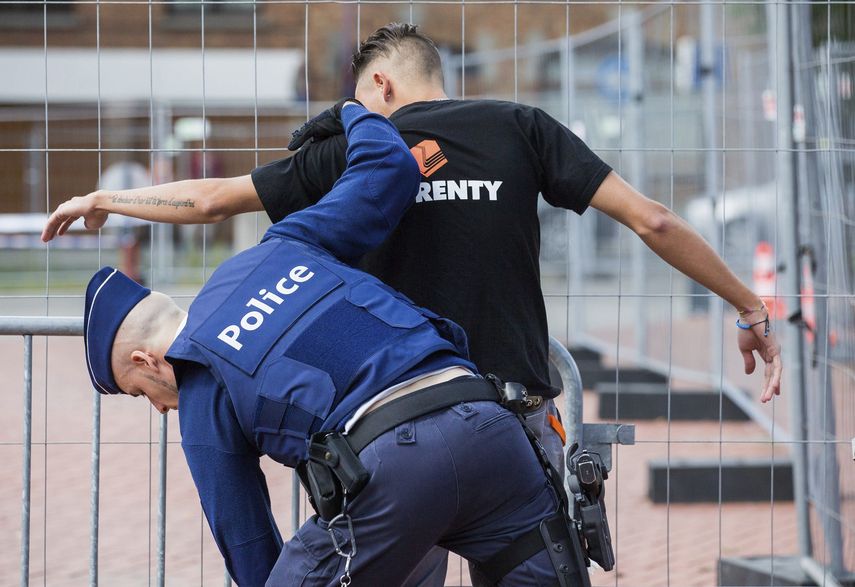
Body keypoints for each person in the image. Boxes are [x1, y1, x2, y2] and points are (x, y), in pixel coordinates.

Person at [47, 21, 782, 586]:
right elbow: (651, 217)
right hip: (509, 415)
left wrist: (110, 198)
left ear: (379, 85)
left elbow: (210, 199)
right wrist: (747, 304)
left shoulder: (348, 154)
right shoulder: (518, 126)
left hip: (382, 438)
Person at [81, 103, 587, 587]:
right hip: (488, 423)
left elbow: (248, 540)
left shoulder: (198, 373)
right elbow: (389, 169)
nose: (159, 408)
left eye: (139, 391)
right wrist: (350, 113)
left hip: (395, 466)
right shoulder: (281, 246)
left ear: (145, 359)